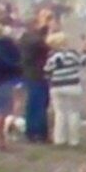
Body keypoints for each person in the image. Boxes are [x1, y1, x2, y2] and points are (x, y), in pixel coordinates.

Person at [46, 32, 86, 147]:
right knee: (73, 113)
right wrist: (85, 50)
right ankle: (74, 140)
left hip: (57, 87)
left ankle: (59, 139)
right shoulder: (72, 54)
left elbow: (47, 71)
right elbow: (84, 62)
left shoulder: (52, 57)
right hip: (73, 86)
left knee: (60, 113)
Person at [19, 12, 54, 143]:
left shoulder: (25, 38)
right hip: (37, 75)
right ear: (34, 25)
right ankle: (39, 133)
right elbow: (46, 46)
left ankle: (31, 132)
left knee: (32, 104)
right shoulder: (35, 40)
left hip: (29, 74)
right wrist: (47, 28)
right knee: (39, 104)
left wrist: (45, 25)